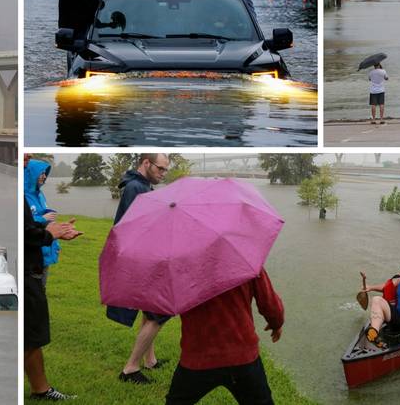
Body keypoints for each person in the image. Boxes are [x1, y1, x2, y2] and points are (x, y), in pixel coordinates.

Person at [165, 268, 283, 405]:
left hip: (197, 357)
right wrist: (276, 323)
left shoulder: (180, 269)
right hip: (242, 355)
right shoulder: (246, 263)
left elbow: (165, 301)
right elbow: (270, 304)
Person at [108, 153, 171, 384]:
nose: (163, 174)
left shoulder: (141, 186)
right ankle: (130, 369)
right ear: (146, 163)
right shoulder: (136, 188)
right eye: (160, 169)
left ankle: (150, 360)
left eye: (165, 170)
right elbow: (132, 228)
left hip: (144, 258)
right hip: (141, 261)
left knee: (150, 311)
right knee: (160, 311)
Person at [24, 198, 82, 401]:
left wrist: (51, 226)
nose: (25, 163)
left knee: (32, 337)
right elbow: (24, 231)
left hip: (31, 272)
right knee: (31, 337)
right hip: (26, 273)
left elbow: (28, 223)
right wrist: (49, 234)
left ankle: (40, 389)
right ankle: (40, 390)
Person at [24, 159, 60, 287]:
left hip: (45, 250)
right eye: (41, 173)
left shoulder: (39, 194)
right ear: (33, 174)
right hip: (34, 253)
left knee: (41, 290)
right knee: (36, 291)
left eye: (45, 173)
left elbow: (40, 213)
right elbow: (26, 223)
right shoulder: (24, 196)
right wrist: (43, 218)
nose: (44, 176)